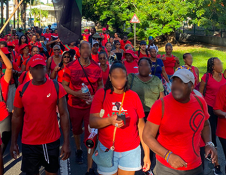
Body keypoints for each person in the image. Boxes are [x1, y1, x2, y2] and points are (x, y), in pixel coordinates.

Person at [143, 69, 217, 175]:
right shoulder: (161, 105)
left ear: (192, 86)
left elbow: (205, 124)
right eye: (175, 81)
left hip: (195, 167)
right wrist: (167, 155)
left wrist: (209, 143)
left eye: (182, 82)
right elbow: (147, 135)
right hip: (167, 168)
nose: (176, 85)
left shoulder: (200, 102)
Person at [10, 54, 71, 175]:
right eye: (36, 68)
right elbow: (16, 116)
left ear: (46, 69)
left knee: (51, 172)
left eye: (41, 67)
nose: (39, 71)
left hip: (51, 141)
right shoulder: (22, 90)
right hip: (29, 142)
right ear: (30, 71)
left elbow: (64, 114)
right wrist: (13, 142)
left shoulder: (56, 86)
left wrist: (67, 143)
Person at [89, 62, 150, 175]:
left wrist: (146, 154)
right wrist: (110, 120)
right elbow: (92, 122)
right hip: (107, 148)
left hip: (130, 150)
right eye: (115, 77)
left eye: (122, 77)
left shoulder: (133, 96)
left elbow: (141, 126)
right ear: (110, 77)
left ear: (126, 78)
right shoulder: (101, 94)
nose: (119, 81)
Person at [62, 41, 103, 175]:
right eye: (83, 48)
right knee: (77, 130)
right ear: (79, 50)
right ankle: (79, 149)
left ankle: (89, 168)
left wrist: (95, 98)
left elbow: (101, 85)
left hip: (91, 107)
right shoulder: (70, 66)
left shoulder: (96, 67)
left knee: (91, 135)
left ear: (91, 50)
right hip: (74, 105)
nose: (86, 50)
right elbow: (64, 85)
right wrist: (77, 94)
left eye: (88, 48)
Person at [198, 57, 226, 151]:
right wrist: (202, 107)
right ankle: (213, 149)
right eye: (218, 64)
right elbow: (200, 93)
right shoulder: (206, 77)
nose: (221, 65)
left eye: (221, 63)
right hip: (209, 107)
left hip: (222, 107)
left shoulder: (225, 77)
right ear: (213, 67)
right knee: (212, 129)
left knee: (223, 129)